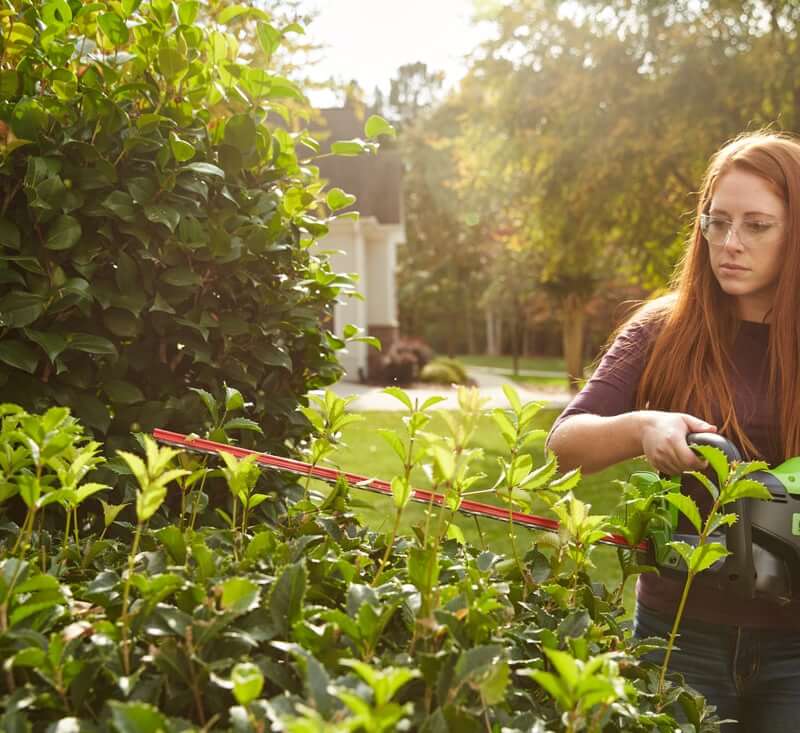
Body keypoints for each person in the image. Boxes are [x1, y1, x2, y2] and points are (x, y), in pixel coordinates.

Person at [546, 130, 800, 732]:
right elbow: (564, 444)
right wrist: (641, 427)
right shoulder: (663, 328)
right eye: (717, 222)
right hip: (680, 637)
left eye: (757, 226)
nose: (730, 244)